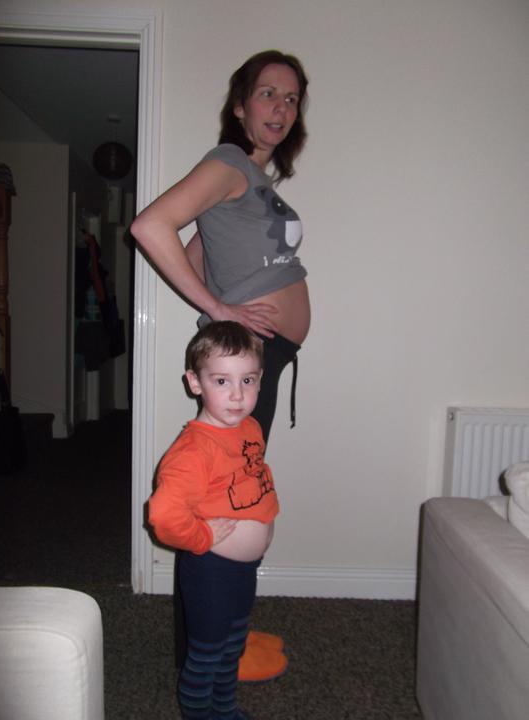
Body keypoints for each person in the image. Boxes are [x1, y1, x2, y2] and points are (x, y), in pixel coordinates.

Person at [131, 49, 310, 681]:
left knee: (236, 494)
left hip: (264, 356)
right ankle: (207, 654)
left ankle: (223, 635)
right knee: (223, 499)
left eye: (291, 99)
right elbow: (150, 226)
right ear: (239, 105)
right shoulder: (228, 163)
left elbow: (191, 253)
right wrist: (218, 309)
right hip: (249, 356)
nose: (281, 108)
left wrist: (216, 302)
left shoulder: (250, 179)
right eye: (267, 94)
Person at [149, 321, 278, 720]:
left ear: (260, 380)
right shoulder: (193, 451)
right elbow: (163, 515)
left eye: (248, 380)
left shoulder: (249, 427)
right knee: (206, 655)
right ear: (195, 382)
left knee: (232, 647)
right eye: (222, 380)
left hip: (243, 570)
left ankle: (224, 710)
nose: (237, 394)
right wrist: (202, 536)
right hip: (210, 570)